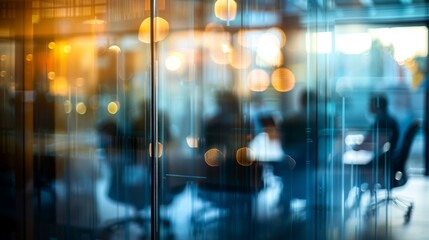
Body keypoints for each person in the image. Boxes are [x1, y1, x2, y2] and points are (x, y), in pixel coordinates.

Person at [352, 93, 400, 191]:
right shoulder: (386, 118)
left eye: (370, 104)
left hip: (384, 163)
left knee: (353, 168)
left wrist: (357, 147)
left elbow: (377, 143)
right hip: (387, 159)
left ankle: (359, 198)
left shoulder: (382, 120)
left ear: (376, 105)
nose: (368, 106)